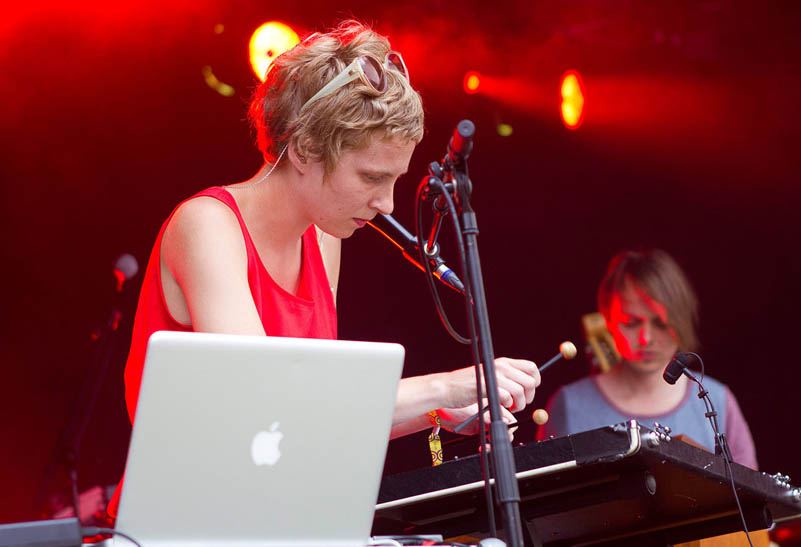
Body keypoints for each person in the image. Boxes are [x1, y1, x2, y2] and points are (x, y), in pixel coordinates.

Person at [107, 21, 540, 519]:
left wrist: (438, 411)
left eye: (395, 179)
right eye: (372, 177)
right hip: (168, 525)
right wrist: (447, 386)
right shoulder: (207, 225)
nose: (386, 203)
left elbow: (305, 420)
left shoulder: (324, 236)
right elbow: (266, 403)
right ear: (306, 149)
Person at [536, 249, 757, 469]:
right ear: (607, 320)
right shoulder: (568, 405)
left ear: (680, 320)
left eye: (660, 323)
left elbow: (750, 500)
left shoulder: (717, 400)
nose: (646, 338)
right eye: (631, 323)